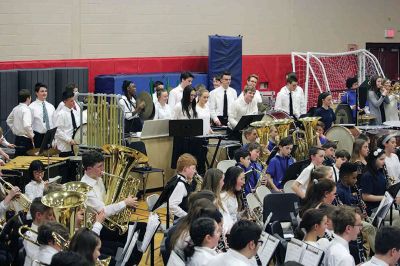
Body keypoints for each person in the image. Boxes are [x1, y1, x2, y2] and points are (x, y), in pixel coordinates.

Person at [54, 90, 79, 182]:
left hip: (73, 148)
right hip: (64, 149)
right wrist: (69, 140)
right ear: (65, 101)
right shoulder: (61, 114)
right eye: (71, 101)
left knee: (72, 174)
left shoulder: (74, 112)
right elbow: (58, 131)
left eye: (74, 100)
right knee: (64, 175)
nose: (73, 103)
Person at [23, 197, 56, 266]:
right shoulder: (30, 237)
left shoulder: (50, 232)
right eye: (50, 215)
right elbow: (40, 262)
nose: (53, 218)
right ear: (38, 215)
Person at [201, 168, 233, 234]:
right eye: (222, 180)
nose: (224, 183)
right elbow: (218, 225)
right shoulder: (210, 201)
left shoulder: (217, 197)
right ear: (217, 182)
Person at [168, 153, 198, 220]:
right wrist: (187, 216)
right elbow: (172, 205)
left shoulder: (177, 178)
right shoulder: (180, 185)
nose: (195, 171)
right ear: (185, 169)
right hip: (182, 223)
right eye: (193, 168)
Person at [360, 148, 388, 215]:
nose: (384, 162)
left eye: (384, 159)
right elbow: (365, 197)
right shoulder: (367, 175)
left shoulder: (381, 171)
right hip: (373, 209)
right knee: (397, 215)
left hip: (381, 205)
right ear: (374, 160)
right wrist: (384, 198)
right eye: (381, 159)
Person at [6, 89, 34, 156]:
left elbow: (8, 120)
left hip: (17, 139)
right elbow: (27, 125)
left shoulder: (15, 108)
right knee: (27, 161)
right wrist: (32, 136)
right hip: (26, 140)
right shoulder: (26, 110)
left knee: (18, 159)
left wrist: (14, 129)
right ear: (28, 98)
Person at [29, 82, 55, 148]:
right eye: (42, 91)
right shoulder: (31, 107)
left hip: (50, 136)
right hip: (38, 137)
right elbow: (29, 124)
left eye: (46, 91)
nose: (44, 93)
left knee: (50, 157)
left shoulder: (51, 106)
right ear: (36, 93)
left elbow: (54, 122)